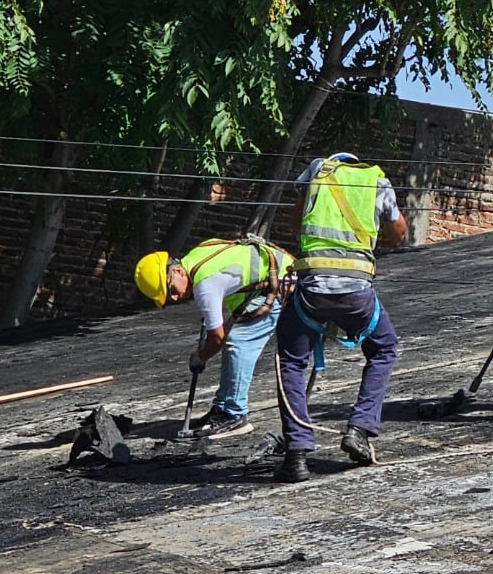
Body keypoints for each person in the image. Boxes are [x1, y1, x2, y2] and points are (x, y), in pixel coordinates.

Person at [273, 152, 407, 482]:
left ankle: (297, 454)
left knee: (291, 361)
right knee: (384, 348)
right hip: (357, 293)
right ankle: (359, 429)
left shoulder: (318, 169)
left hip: (312, 289)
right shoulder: (377, 179)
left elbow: (294, 223)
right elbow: (399, 233)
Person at [134, 237, 294, 438]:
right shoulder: (197, 254)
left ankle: (233, 414)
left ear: (176, 271)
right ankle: (222, 407)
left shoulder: (204, 284)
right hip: (265, 283)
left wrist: (200, 357)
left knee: (238, 343)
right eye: (168, 298)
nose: (175, 298)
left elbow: (217, 339)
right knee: (234, 339)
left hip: (283, 284)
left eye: (172, 290)